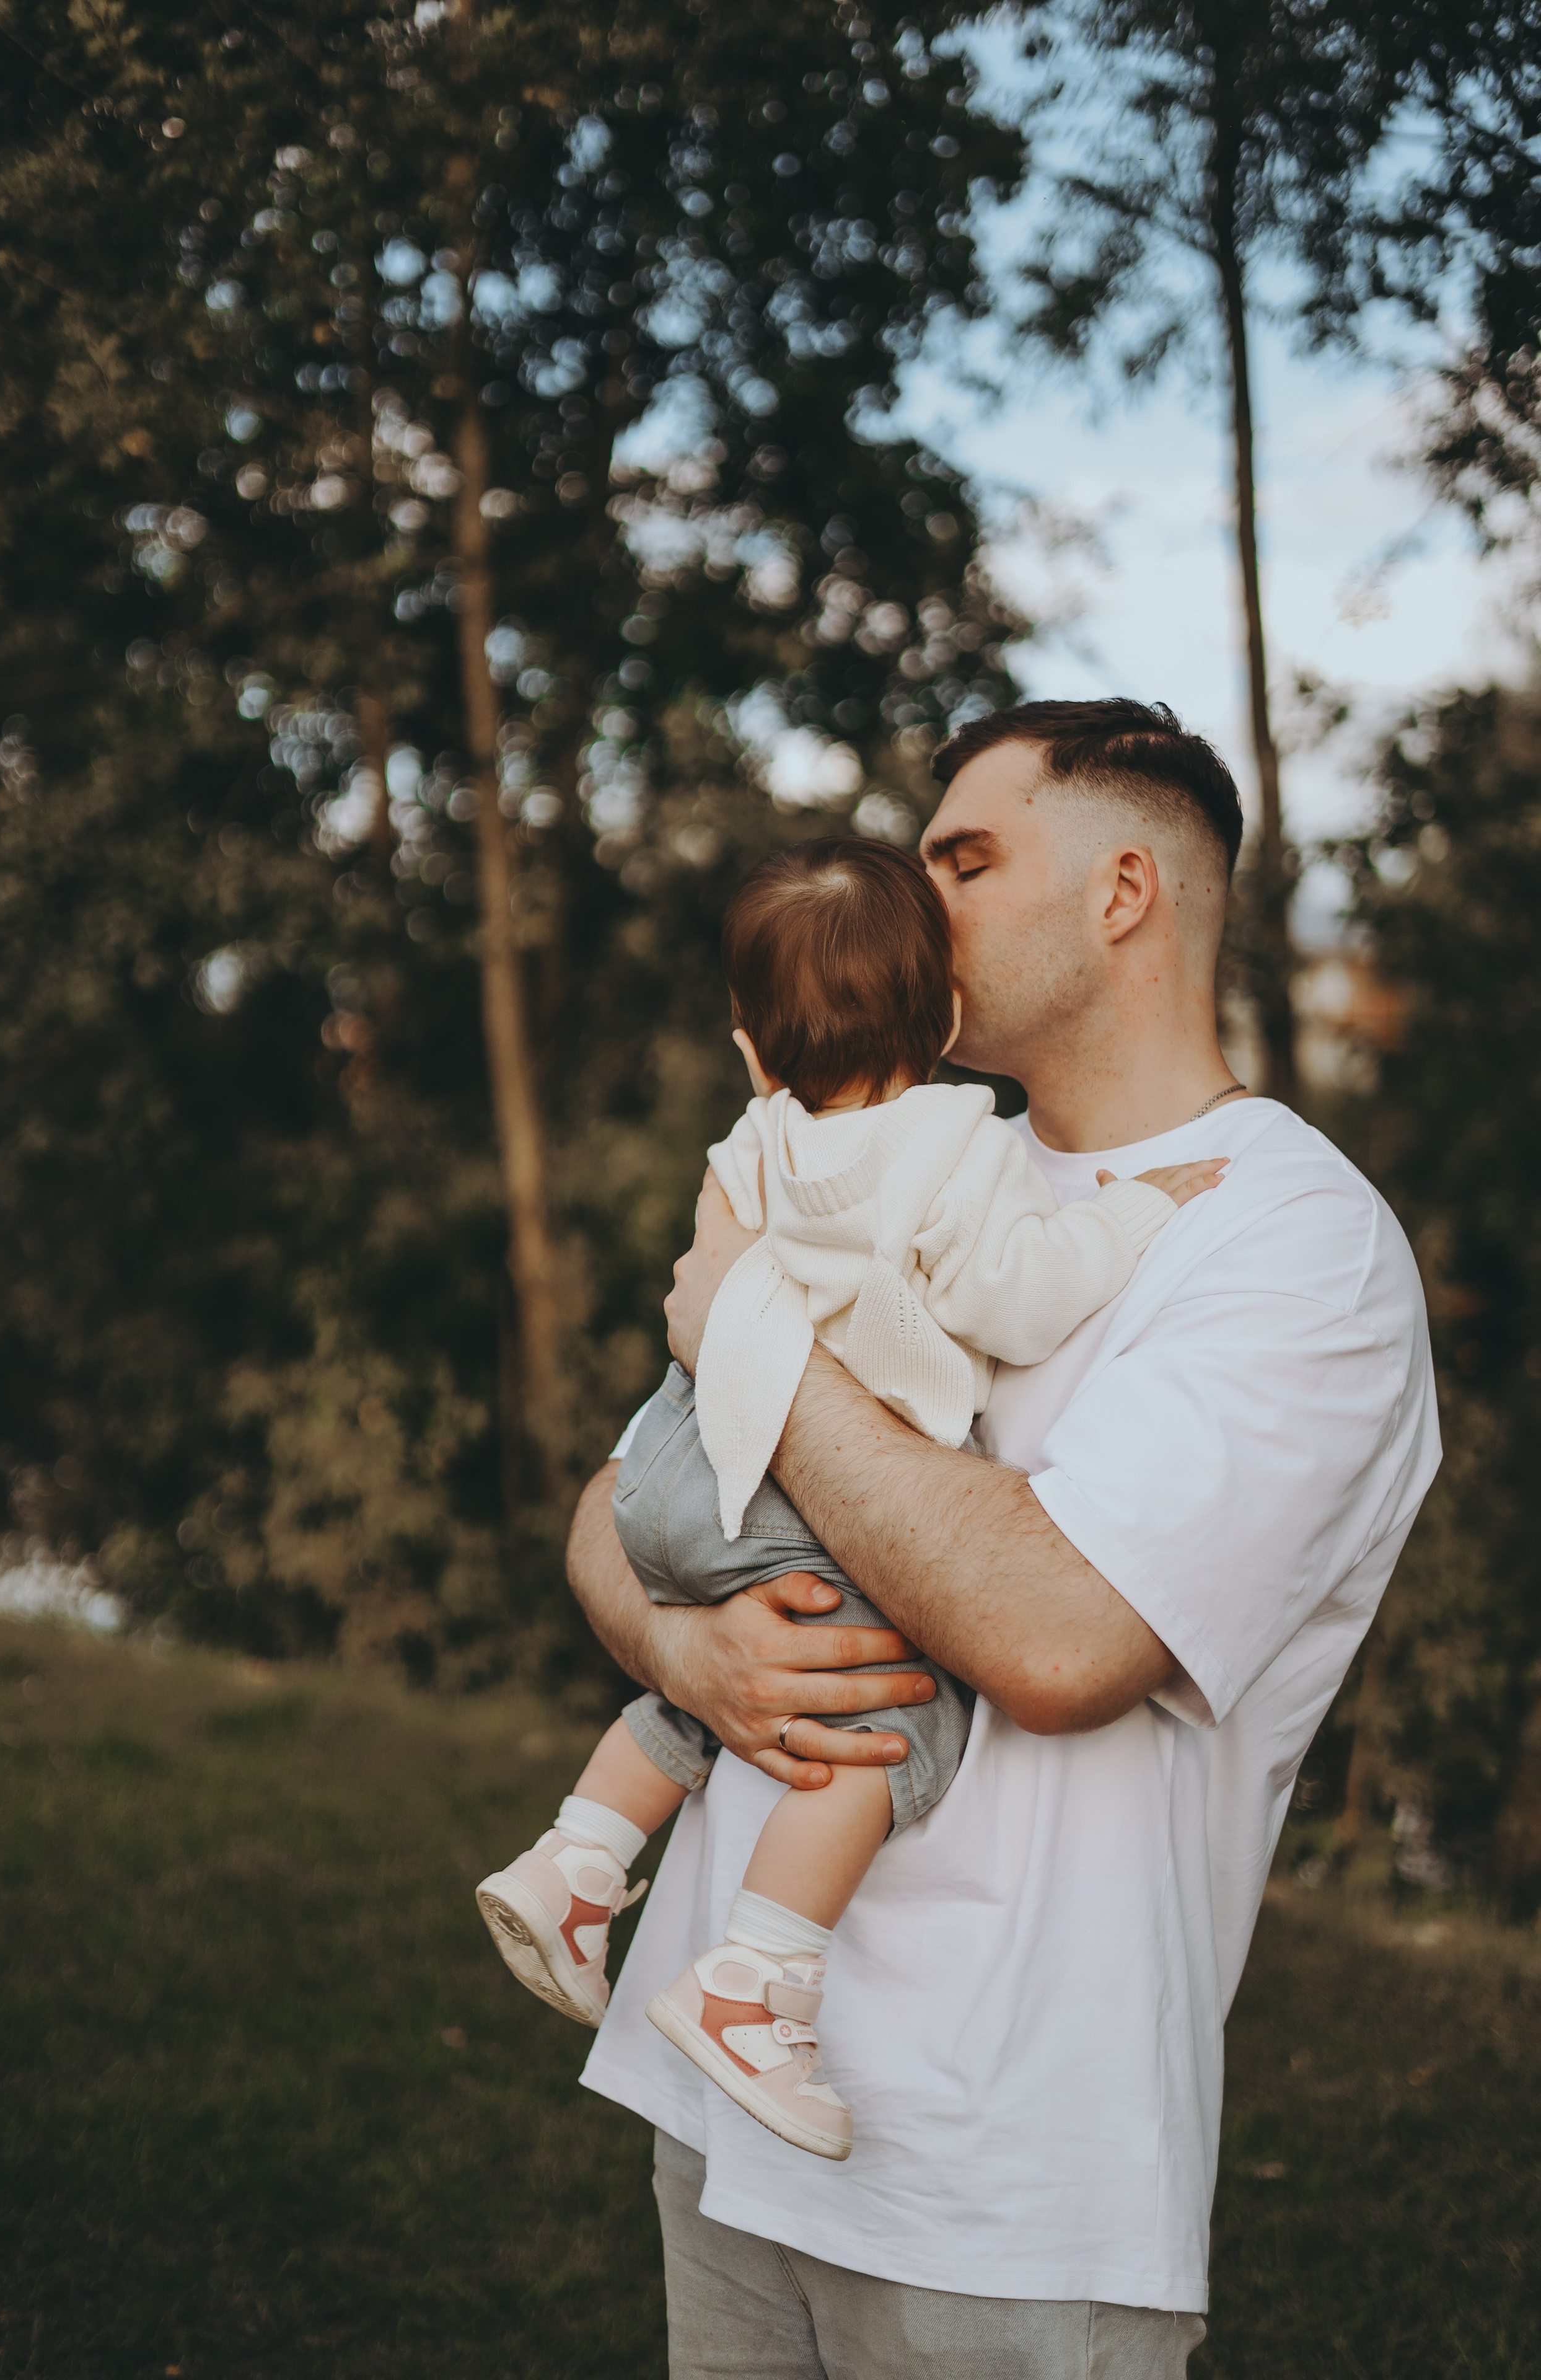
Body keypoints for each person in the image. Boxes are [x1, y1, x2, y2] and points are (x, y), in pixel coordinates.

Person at [574, 700, 1440, 2379]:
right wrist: (686, 1651)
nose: (914, 903)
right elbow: (628, 1507)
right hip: (728, 2104)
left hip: (1002, 2175)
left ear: (1123, 894)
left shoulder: (1293, 1246)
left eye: (962, 862)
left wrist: (755, 1331)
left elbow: (1057, 1640)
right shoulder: (887, 1150)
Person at [477, 839, 1223, 2161]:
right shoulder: (957, 1144)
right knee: (889, 1718)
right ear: (946, 1020)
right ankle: (755, 1984)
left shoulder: (752, 1141)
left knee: (727, 1683)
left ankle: (574, 1862)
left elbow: (716, 1288)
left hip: (674, 1474)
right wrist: (1128, 1219)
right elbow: (1020, 1298)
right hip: (791, 1489)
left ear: (750, 1051)